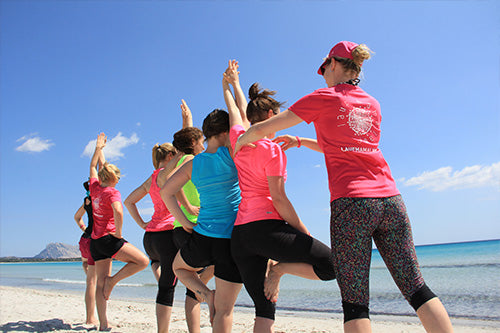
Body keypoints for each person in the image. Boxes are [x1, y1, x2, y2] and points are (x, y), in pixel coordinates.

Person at [233, 41, 453, 333]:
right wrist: (299, 142)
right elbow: (345, 146)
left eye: (323, 68)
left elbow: (264, 128)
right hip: (391, 200)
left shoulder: (323, 97)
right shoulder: (372, 104)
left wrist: (241, 142)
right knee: (416, 287)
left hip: (352, 203)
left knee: (355, 302)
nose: (322, 74)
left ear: (333, 64)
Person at [223, 60, 336, 332]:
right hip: (267, 230)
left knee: (264, 307)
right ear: (273, 114)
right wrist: (303, 233)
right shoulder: (272, 150)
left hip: (240, 236)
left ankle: (278, 271)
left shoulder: (238, 140)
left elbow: (236, 110)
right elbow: (279, 199)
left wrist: (230, 83)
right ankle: (279, 270)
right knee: (332, 266)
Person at [124, 102, 212, 333]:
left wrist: (142, 223)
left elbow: (129, 201)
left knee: (166, 273)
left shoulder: (151, 177)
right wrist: (187, 208)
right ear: (173, 154)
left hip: (149, 239)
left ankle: (188, 285)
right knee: (169, 286)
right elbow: (183, 155)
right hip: (167, 235)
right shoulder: (175, 168)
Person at [161, 107, 242, 333]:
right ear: (227, 133)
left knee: (180, 268)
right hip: (231, 238)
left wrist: (185, 222)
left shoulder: (194, 163)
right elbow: (242, 122)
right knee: (225, 311)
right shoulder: (232, 154)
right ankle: (210, 296)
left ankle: (206, 294)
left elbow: (166, 191)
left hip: (203, 236)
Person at [89, 132, 149, 331]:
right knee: (142, 261)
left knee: (100, 284)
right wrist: (119, 233)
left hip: (96, 242)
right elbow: (118, 210)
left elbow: (94, 167)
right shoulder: (113, 192)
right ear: (114, 178)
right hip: (109, 238)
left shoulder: (95, 188)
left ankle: (103, 325)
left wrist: (99, 148)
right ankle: (113, 282)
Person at [73, 180, 98, 326]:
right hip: (95, 240)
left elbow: (77, 217)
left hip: (84, 239)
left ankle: (90, 316)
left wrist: (84, 228)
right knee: (92, 283)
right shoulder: (100, 199)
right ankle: (90, 318)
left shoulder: (87, 200)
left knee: (88, 274)